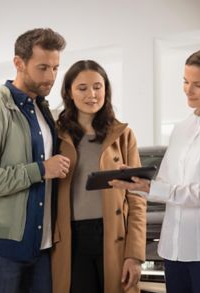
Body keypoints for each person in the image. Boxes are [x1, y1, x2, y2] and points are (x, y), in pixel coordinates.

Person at [110, 47, 200, 293]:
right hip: (174, 249)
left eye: (197, 84)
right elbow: (165, 182)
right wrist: (135, 180)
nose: (188, 90)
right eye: (185, 81)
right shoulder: (182, 128)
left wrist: (153, 187)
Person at [0, 28, 70, 293]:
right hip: (0, 246)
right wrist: (40, 170)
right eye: (43, 67)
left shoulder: (43, 110)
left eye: (56, 68)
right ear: (18, 63)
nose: (51, 77)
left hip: (40, 246)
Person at [51, 60, 147, 293]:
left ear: (106, 90)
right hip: (70, 239)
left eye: (97, 86)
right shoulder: (55, 134)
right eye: (82, 88)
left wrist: (134, 255)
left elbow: (137, 198)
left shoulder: (123, 135)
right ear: (69, 93)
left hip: (113, 236)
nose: (91, 94)